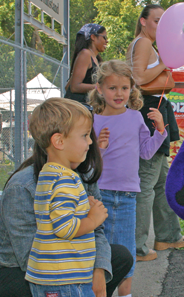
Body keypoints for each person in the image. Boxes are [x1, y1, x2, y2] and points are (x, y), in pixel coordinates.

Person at [0, 104, 133, 297]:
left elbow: (97, 232)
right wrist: (79, 275)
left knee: (118, 257)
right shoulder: (22, 186)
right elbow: (30, 257)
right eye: (84, 136)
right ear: (59, 141)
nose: (90, 143)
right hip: (27, 269)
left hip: (66, 254)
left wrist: (98, 272)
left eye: (90, 135)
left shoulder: (80, 174)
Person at [89, 59, 167, 297]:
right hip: (98, 195)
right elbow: (84, 161)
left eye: (124, 88)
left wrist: (160, 131)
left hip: (127, 196)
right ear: (100, 89)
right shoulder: (92, 119)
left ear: (132, 88)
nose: (119, 93)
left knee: (126, 248)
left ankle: (125, 294)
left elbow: (145, 151)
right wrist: (98, 148)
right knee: (98, 250)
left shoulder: (135, 118)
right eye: (112, 88)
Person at [126, 4, 184, 263]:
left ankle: (168, 235)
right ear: (143, 22)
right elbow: (138, 79)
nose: (159, 26)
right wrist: (163, 64)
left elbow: (170, 82)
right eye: (156, 20)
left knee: (161, 181)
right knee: (147, 183)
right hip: (149, 112)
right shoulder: (142, 44)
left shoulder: (148, 45)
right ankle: (137, 247)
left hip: (156, 108)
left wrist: (163, 73)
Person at [65, 23, 108, 103]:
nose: (107, 41)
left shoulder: (96, 58)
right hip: (78, 108)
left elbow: (67, 86)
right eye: (104, 37)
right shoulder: (85, 54)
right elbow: (74, 87)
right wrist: (102, 87)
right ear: (93, 37)